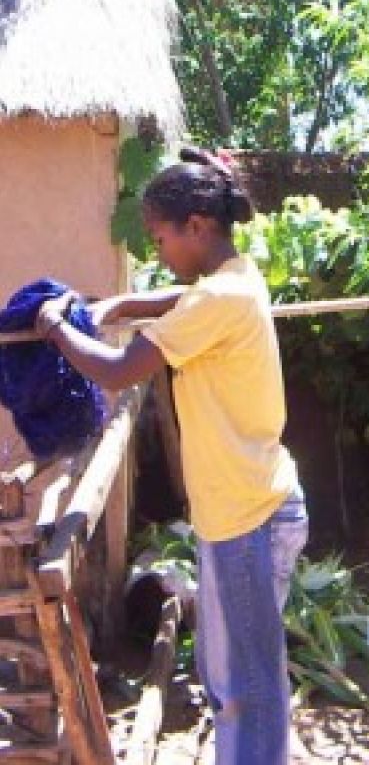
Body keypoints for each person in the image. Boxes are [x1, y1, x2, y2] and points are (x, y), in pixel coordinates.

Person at [35, 147, 309, 765]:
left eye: (160, 240)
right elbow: (173, 304)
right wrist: (118, 307)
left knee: (247, 689)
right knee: (231, 679)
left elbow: (115, 368)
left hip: (247, 520)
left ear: (197, 226)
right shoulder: (235, 279)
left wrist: (57, 327)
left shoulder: (217, 302)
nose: (159, 254)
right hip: (246, 509)